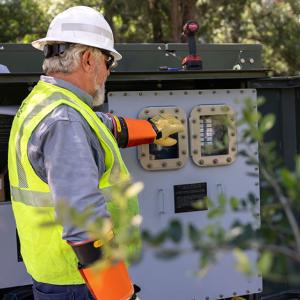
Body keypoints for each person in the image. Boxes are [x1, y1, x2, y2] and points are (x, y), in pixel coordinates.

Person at [8, 5, 183, 300]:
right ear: (88, 59)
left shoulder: (44, 102)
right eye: (108, 62)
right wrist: (118, 293)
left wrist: (151, 129)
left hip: (57, 274)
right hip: (80, 283)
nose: (108, 73)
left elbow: (98, 126)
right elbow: (84, 220)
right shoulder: (65, 120)